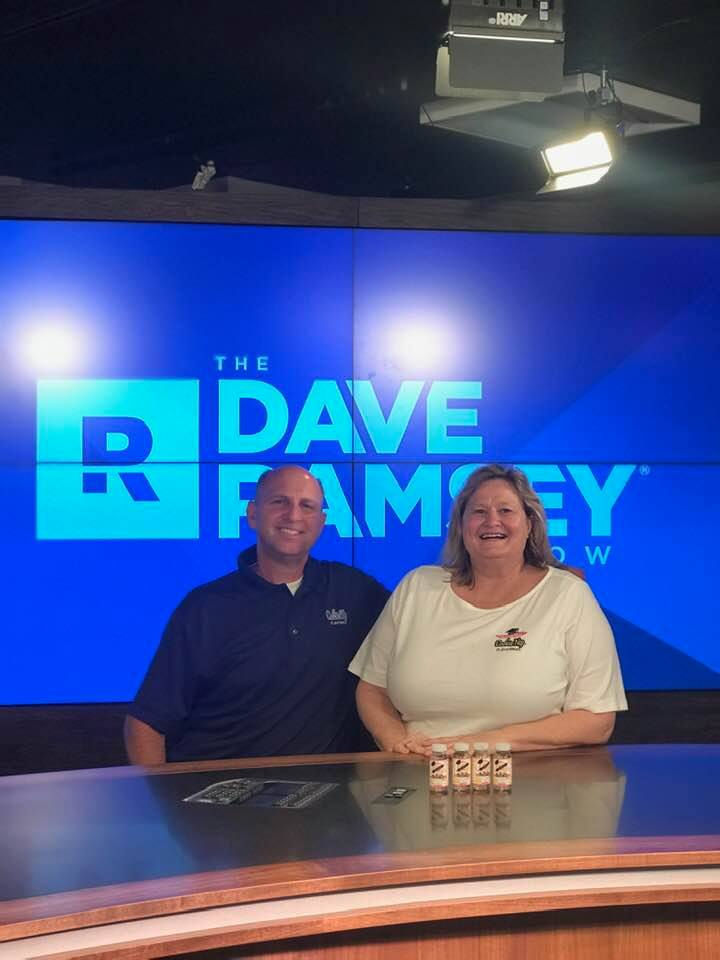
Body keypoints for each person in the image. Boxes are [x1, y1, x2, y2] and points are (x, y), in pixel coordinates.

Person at [349, 464, 627, 755]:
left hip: (531, 778)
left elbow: (596, 720)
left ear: (530, 524)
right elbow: (372, 690)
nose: (492, 521)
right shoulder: (416, 587)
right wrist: (396, 742)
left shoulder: (569, 595)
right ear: (460, 526)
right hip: (419, 772)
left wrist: (482, 744)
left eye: (506, 510)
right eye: (479, 512)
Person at [125, 466, 389, 763]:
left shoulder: (355, 591)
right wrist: (157, 792)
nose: (293, 515)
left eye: (307, 506)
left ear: (321, 522)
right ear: (252, 514)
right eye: (279, 502)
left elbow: (417, 633)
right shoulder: (205, 608)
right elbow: (146, 725)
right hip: (214, 786)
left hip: (324, 787)